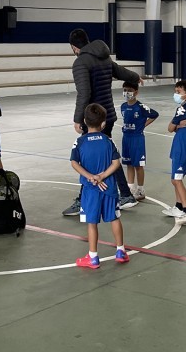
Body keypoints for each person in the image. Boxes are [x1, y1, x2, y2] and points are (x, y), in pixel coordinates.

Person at [63, 28, 140, 216]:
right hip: (107, 116)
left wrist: (78, 118)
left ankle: (83, 200)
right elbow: (120, 71)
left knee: (88, 157)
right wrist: (135, 77)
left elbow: (84, 93)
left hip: (93, 118)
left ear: (74, 47)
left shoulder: (81, 62)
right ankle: (126, 194)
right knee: (108, 155)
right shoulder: (103, 56)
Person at [71, 103, 130, 269]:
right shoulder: (108, 141)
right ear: (103, 123)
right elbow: (116, 163)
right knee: (114, 218)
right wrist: (102, 176)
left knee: (92, 222)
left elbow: (74, 163)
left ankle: (93, 257)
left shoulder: (79, 142)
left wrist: (91, 177)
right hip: (109, 188)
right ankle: (120, 251)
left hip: (90, 190)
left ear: (84, 121)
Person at [164, 80, 186, 225]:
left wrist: (175, 126)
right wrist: (178, 126)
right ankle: (178, 207)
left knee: (177, 180)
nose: (176, 95)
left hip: (182, 150)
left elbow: (169, 128)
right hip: (182, 148)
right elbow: (176, 128)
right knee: (175, 179)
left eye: (178, 92)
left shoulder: (182, 110)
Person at [120, 80, 159, 201]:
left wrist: (143, 125)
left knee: (138, 165)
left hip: (137, 139)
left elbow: (155, 114)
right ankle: (130, 188)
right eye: (125, 90)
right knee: (128, 163)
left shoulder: (140, 107)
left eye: (130, 90)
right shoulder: (123, 106)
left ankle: (140, 189)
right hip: (126, 138)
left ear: (136, 92)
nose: (127, 93)